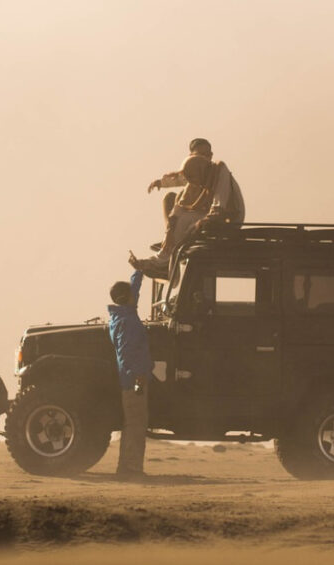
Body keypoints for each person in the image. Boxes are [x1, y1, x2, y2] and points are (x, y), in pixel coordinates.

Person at [136, 138, 245, 278]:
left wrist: (200, 222)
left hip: (229, 217)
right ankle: (165, 254)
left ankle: (166, 259)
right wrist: (170, 232)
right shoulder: (196, 172)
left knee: (188, 223)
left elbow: (219, 206)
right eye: (200, 156)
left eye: (207, 155)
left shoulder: (219, 170)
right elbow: (183, 188)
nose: (205, 159)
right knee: (175, 208)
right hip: (210, 213)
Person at [107, 266, 155, 480]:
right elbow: (127, 355)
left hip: (133, 378)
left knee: (134, 423)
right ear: (126, 298)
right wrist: (138, 379)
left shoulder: (123, 315)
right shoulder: (127, 322)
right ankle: (130, 468)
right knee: (135, 423)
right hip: (133, 380)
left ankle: (128, 467)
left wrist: (139, 270)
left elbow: (133, 289)